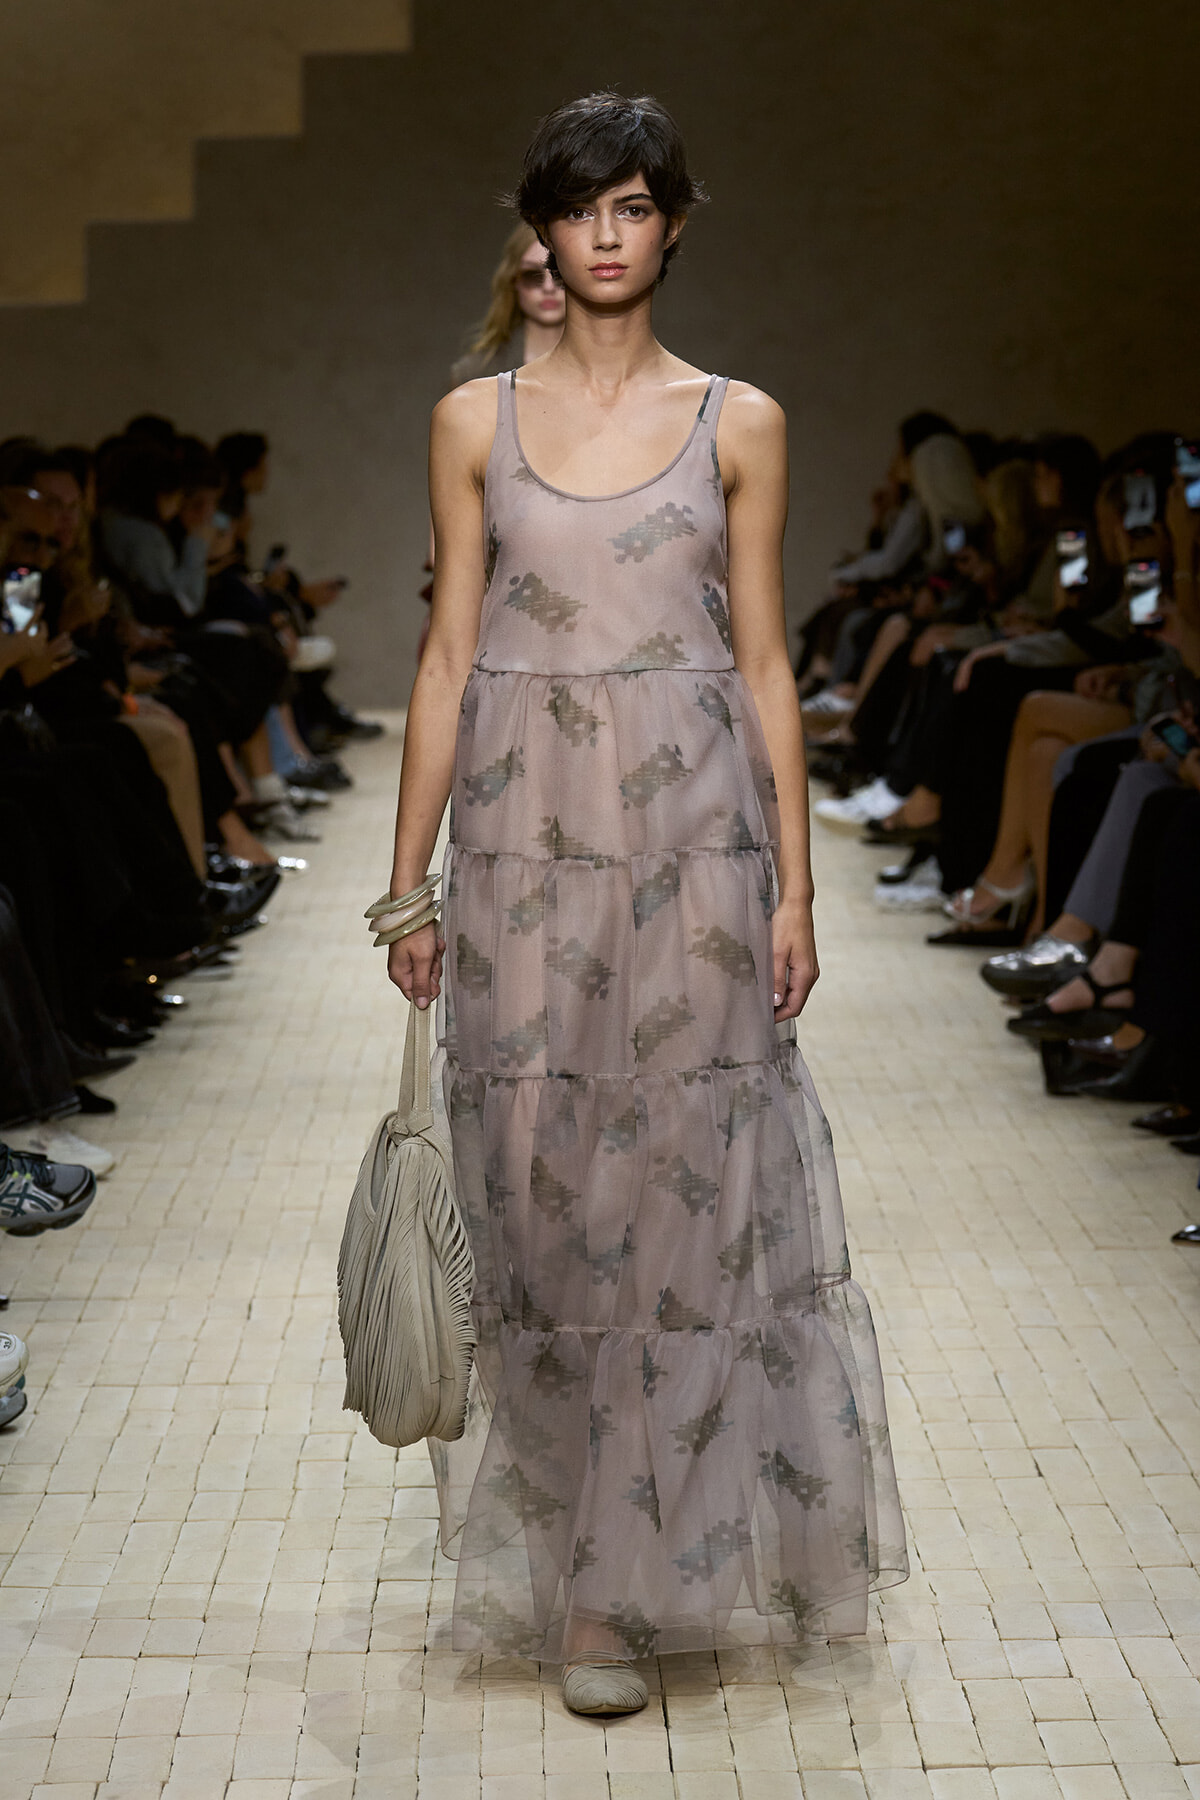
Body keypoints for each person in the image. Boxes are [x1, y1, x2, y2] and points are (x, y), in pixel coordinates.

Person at [384, 90, 906, 1716]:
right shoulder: (473, 419)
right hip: (523, 848)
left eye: (634, 206)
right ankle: (584, 1545)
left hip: (694, 842)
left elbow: (764, 657)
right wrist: (407, 887)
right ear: (540, 232)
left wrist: (801, 883)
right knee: (541, 1198)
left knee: (679, 1194)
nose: (607, 235)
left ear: (674, 223)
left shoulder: (737, 418)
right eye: (579, 209)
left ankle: (620, 1589)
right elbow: (450, 654)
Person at [450, 220, 567, 387]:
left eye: (559, 274)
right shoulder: (475, 374)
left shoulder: (610, 366)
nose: (548, 288)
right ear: (513, 280)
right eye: (532, 275)